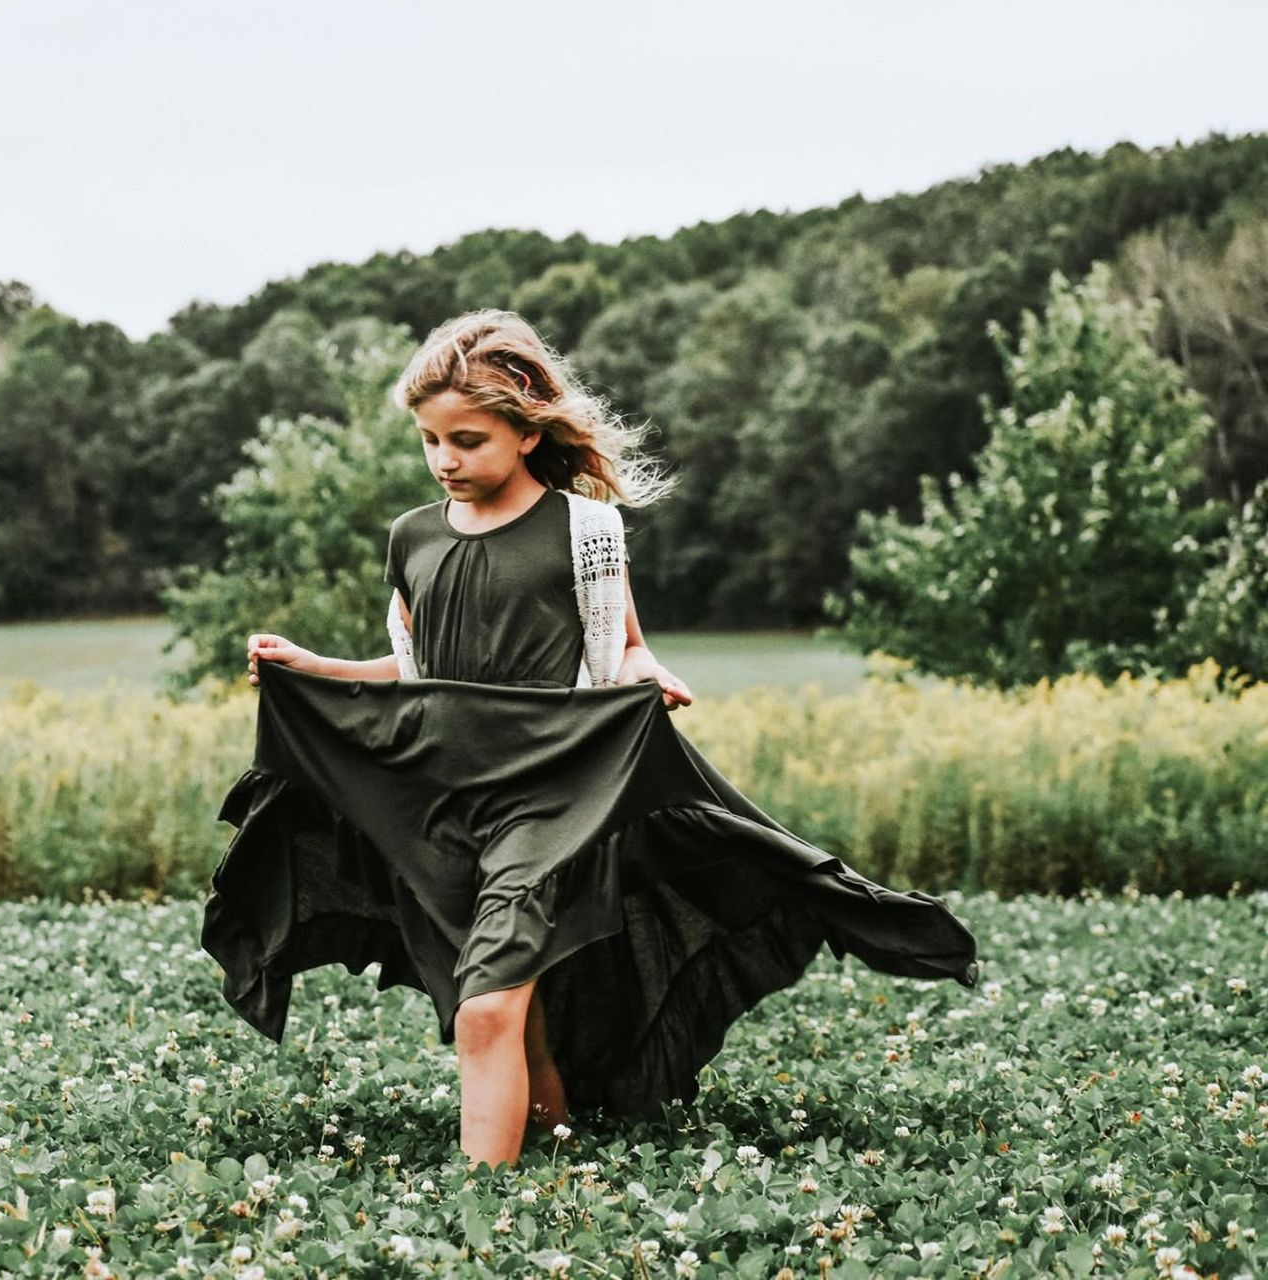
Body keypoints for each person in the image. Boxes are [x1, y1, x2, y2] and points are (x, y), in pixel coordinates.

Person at [200, 309, 980, 1172]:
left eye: (467, 439)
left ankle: (478, 1213)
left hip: (553, 797)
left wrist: (650, 676)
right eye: (429, 442)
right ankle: (557, 1143)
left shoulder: (585, 531)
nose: (445, 461)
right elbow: (420, 671)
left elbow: (625, 648)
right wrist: (313, 665)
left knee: (486, 1008)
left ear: (529, 428)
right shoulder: (412, 538)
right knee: (513, 1012)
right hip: (441, 799)